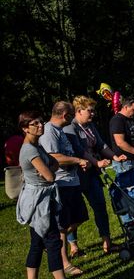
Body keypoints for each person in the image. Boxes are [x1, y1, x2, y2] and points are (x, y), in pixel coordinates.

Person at [63, 96, 126, 256]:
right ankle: (73, 246)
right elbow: (78, 150)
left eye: (93, 110)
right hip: (76, 175)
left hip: (91, 174)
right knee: (72, 212)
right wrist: (96, 162)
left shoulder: (90, 126)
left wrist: (114, 157)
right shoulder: (70, 127)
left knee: (100, 206)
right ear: (79, 111)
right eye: (89, 111)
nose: (93, 114)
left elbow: (101, 144)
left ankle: (107, 243)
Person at [39, 101, 89, 276]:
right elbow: (54, 158)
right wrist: (77, 160)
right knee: (62, 226)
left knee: (81, 217)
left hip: (72, 181)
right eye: (72, 114)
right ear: (65, 115)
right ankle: (64, 262)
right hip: (60, 184)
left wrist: (77, 162)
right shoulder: (48, 131)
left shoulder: (60, 130)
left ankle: (50, 243)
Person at [16, 111, 65, 279]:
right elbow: (51, 176)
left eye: (41, 122)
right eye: (35, 124)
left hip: (43, 197)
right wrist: (48, 171)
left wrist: (48, 170)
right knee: (52, 240)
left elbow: (55, 164)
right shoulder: (29, 150)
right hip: (37, 202)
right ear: (25, 128)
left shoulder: (37, 146)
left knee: (37, 241)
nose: (40, 125)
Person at [109, 96, 134, 174]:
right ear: (126, 107)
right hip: (124, 162)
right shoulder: (118, 120)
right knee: (127, 186)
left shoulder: (132, 119)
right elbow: (120, 142)